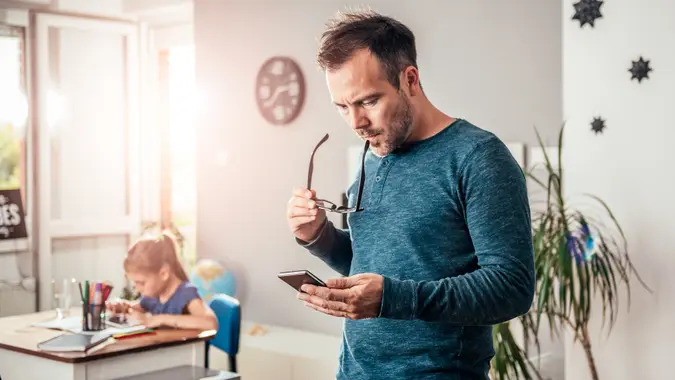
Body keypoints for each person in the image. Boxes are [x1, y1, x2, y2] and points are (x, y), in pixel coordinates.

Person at [286, 9, 535, 380]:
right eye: (342, 107)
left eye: (368, 101)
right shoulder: (374, 152)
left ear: (410, 80)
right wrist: (318, 236)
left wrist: (393, 298)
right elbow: (377, 261)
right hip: (353, 372)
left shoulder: (478, 157)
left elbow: (511, 287)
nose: (355, 123)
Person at [106, 232, 218, 331]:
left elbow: (210, 323)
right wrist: (124, 306)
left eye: (142, 283)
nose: (138, 288)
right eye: (135, 283)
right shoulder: (155, 294)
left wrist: (160, 319)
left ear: (164, 273)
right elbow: (138, 307)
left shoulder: (186, 294)